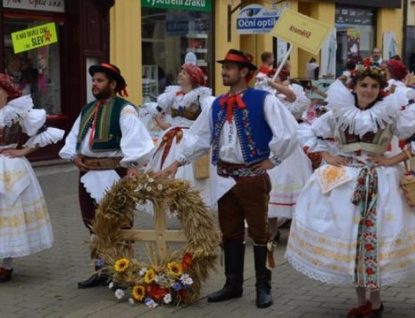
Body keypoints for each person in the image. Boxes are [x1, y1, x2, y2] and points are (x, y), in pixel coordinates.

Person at [160, 49, 298, 308]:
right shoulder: (216, 104)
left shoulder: (263, 99)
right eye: (224, 67)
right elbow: (199, 137)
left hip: (251, 176)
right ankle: (233, 284)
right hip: (224, 177)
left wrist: (274, 160)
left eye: (230, 67)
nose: (224, 71)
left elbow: (288, 131)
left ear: (245, 71)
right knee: (230, 232)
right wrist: (177, 162)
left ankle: (262, 286)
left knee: (259, 233)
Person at [285, 58, 415, 318]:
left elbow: (411, 142)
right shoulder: (337, 114)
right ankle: (361, 301)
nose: (368, 90)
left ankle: (376, 303)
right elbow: (311, 134)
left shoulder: (389, 115)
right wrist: (329, 157)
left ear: (381, 89)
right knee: (351, 242)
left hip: (381, 183)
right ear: (354, 87)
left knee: (375, 241)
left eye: (374, 86)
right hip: (344, 184)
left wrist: (392, 159)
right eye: (364, 85)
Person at [59, 63, 154, 289]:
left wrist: (132, 166)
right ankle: (102, 270)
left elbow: (136, 139)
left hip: (114, 172)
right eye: (94, 80)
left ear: (112, 84)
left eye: (100, 81)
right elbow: (72, 138)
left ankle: (122, 272)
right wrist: (73, 156)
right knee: (92, 223)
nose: (95, 84)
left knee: (120, 224)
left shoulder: (125, 109)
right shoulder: (87, 110)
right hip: (88, 173)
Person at [0, 73, 64, 282]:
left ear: (7, 93)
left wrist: (23, 151)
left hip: (11, 167)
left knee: (10, 214)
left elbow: (44, 133)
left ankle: (6, 265)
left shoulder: (18, 112)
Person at [146, 64, 215, 208]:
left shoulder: (201, 96)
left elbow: (209, 117)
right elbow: (161, 113)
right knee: (164, 170)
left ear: (193, 77)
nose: (180, 75)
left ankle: (191, 207)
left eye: (184, 73)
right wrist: (159, 120)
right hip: (171, 137)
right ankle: (168, 205)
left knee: (188, 174)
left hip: (190, 138)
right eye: (181, 71)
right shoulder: (172, 95)